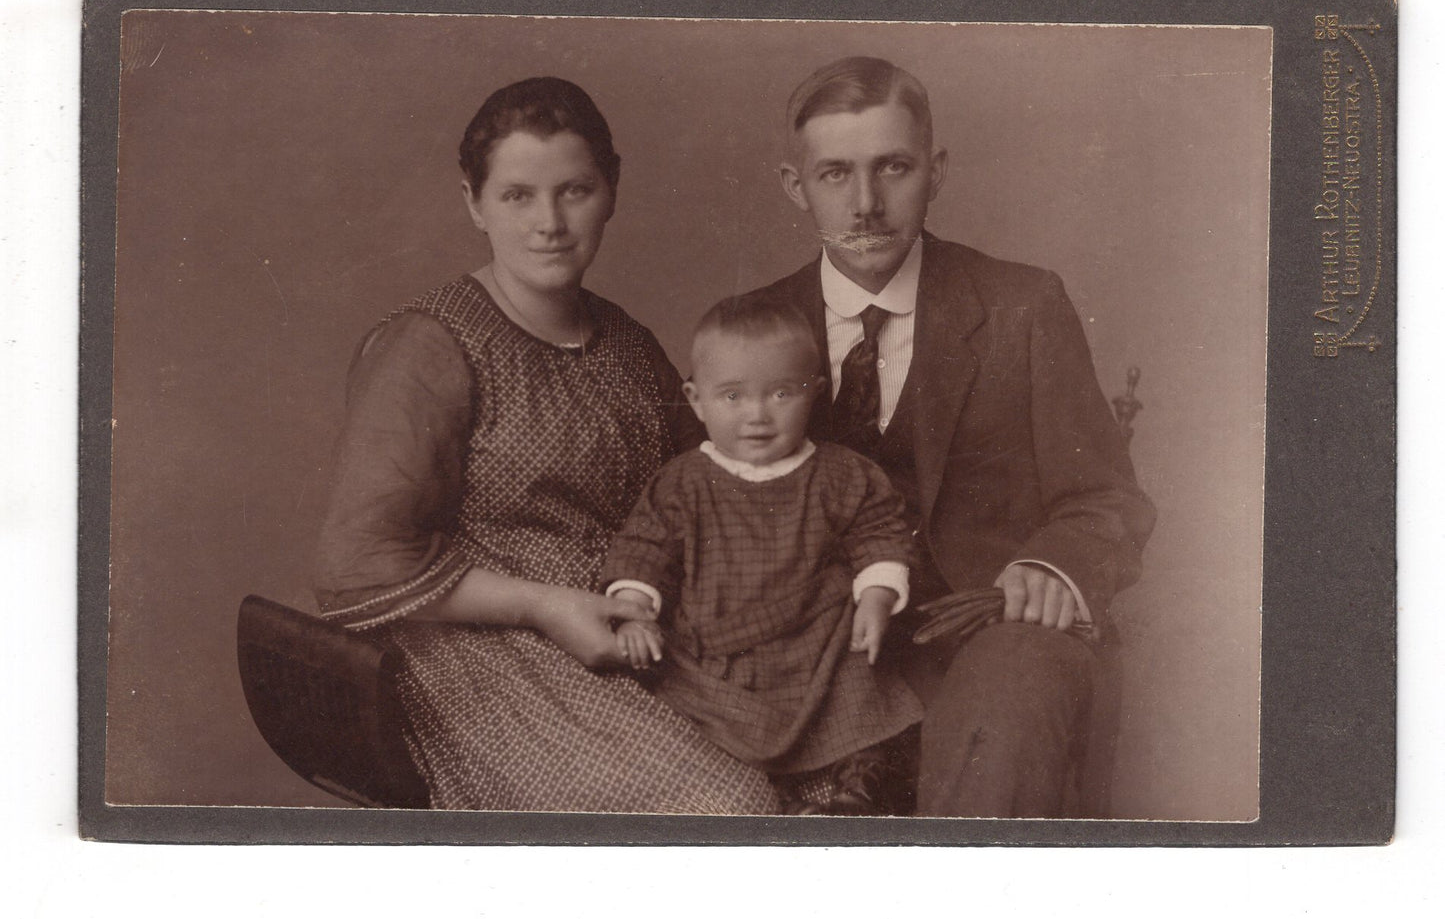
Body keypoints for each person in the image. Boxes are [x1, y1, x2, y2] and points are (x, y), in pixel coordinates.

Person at [313, 76, 778, 814]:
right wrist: (540, 605)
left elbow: (700, 491)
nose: (549, 223)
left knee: (828, 763)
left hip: (630, 631)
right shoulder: (430, 345)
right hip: (477, 654)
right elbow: (355, 566)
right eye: (517, 196)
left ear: (612, 188)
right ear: (473, 202)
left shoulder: (628, 341)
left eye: (574, 190)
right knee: (724, 806)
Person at [748, 56, 1156, 817]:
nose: (865, 203)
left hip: (988, 631)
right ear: (792, 185)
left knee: (1011, 699)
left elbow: (1105, 498)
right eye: (835, 174)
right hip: (817, 655)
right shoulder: (751, 327)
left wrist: (1052, 564)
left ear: (935, 171)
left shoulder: (1021, 306)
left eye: (893, 167)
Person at [600, 296, 923, 814]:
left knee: (865, 681)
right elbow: (645, 548)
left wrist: (878, 594)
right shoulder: (683, 482)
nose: (756, 415)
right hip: (722, 650)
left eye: (780, 393)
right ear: (696, 399)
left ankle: (858, 786)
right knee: (684, 709)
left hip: (816, 638)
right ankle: (767, 804)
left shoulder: (840, 473)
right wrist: (634, 611)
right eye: (732, 396)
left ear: (815, 394)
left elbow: (879, 531)